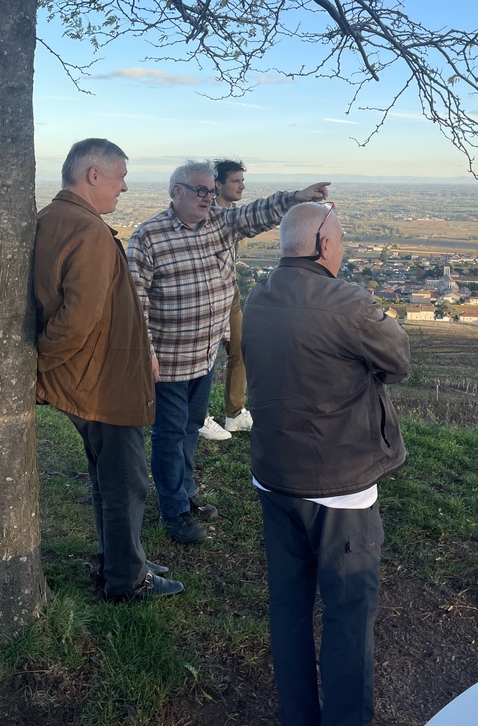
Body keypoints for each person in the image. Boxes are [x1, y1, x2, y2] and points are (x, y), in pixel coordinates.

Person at [242, 202, 410, 726]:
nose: (342, 248)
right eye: (338, 239)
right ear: (322, 246)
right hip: (341, 487)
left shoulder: (259, 296)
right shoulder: (350, 305)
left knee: (289, 608)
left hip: (275, 476)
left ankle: (297, 715)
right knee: (348, 614)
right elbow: (398, 361)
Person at [127, 161, 330, 545]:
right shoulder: (148, 237)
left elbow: (258, 213)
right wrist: (146, 354)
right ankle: (175, 512)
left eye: (209, 191)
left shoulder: (221, 222)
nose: (207, 198)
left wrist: (298, 198)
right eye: (199, 190)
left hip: (204, 355)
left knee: (189, 429)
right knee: (169, 435)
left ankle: (185, 492)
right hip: (168, 360)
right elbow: (134, 302)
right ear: (176, 192)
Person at [34, 138, 183, 600]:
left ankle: (123, 556)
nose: (124, 185)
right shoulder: (89, 231)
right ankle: (125, 580)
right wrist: (39, 367)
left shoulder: (50, 220)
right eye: (119, 175)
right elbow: (75, 319)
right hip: (98, 384)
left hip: (91, 376)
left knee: (108, 479)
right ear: (92, 175)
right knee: (125, 483)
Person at [197, 157, 251, 441]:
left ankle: (234, 414)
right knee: (205, 356)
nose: (242, 186)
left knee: (240, 349)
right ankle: (200, 418)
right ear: (217, 185)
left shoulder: (234, 214)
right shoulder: (204, 214)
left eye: (242, 180)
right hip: (207, 294)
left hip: (231, 292)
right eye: (236, 181)